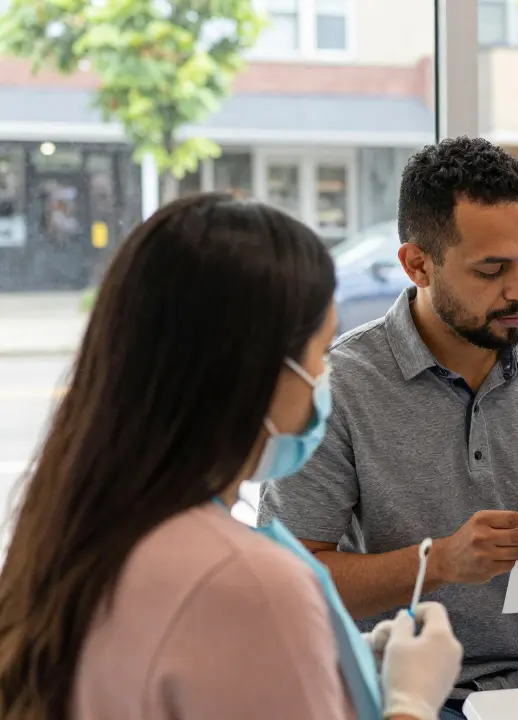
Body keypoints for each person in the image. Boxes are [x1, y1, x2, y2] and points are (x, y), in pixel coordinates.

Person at [0, 194, 462, 720]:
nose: (325, 375)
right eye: (321, 351)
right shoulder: (245, 582)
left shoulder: (78, 528)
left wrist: (343, 669)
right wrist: (411, 703)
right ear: (257, 372)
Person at [260, 137, 518, 719]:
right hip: (395, 686)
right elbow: (292, 581)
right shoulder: (341, 387)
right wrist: (439, 562)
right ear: (417, 264)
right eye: (492, 269)